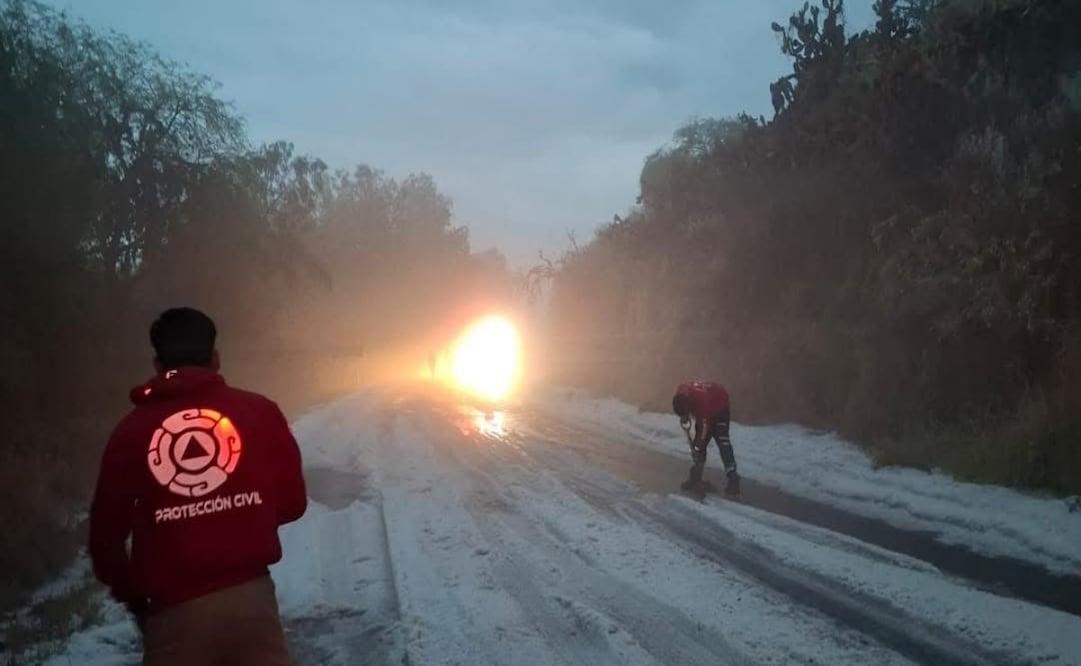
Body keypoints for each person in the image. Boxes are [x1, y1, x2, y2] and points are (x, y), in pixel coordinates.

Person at [88, 307, 307, 665]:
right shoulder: (261, 412)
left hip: (173, 615)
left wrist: (133, 598)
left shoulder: (131, 432)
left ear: (158, 364)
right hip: (254, 606)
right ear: (216, 358)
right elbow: (293, 503)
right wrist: (239, 511)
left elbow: (105, 538)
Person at [672, 381, 740, 497]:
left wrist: (697, 448)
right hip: (706, 404)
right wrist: (684, 416)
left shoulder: (701, 404)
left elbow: (703, 432)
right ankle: (696, 477)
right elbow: (683, 408)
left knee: (722, 442)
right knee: (699, 444)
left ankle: (733, 480)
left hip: (720, 406)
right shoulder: (681, 393)